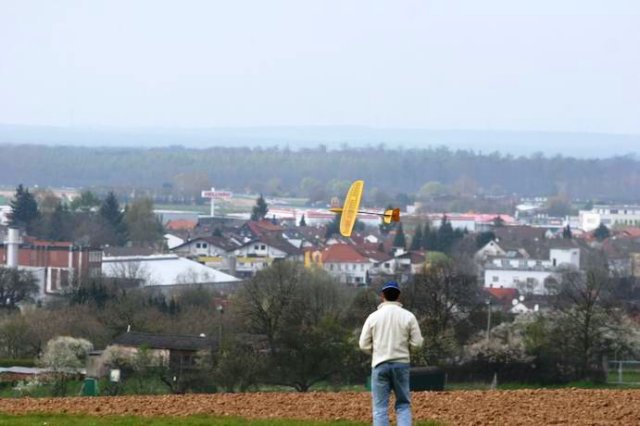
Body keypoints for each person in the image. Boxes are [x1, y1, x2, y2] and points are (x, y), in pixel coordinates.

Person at [359, 280, 424, 426]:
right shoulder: (408, 316)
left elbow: (363, 344)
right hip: (401, 364)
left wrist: (375, 353)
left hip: (380, 364)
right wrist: (408, 350)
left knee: (380, 408)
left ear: (382, 295)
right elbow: (418, 343)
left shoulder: (373, 317)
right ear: (399, 296)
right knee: (403, 405)